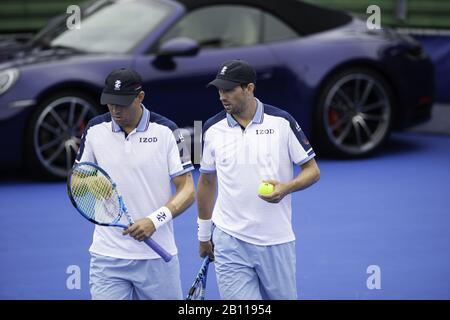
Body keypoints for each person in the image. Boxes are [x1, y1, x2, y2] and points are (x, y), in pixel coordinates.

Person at [196, 59, 320, 300]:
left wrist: (287, 187)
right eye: (220, 90)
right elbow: (207, 182)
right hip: (229, 239)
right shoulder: (210, 129)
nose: (222, 96)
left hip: (275, 240)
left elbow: (312, 170)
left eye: (229, 89)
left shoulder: (282, 122)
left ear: (249, 88)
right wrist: (203, 235)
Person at [75, 67, 195, 300]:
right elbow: (77, 179)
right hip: (107, 256)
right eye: (110, 102)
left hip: (156, 259)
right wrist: (90, 184)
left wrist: (154, 220)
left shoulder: (169, 131)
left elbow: (188, 190)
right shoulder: (94, 129)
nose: (115, 109)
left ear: (140, 97)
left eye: (122, 103)